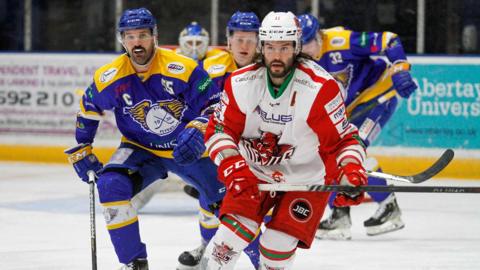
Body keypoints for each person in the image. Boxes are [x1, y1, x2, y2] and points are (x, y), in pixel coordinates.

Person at [200, 11, 367, 269]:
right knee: (229, 239)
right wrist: (233, 164)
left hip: (306, 179)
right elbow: (219, 131)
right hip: (254, 171)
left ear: (297, 47)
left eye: (285, 47)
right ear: (261, 46)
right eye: (270, 47)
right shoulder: (240, 82)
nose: (277, 55)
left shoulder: (320, 88)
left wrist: (351, 170)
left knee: (275, 246)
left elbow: (343, 140)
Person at [64, 7, 226, 269]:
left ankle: (255, 260)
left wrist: (199, 128)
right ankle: (133, 263)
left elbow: (215, 104)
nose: (136, 42)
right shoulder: (112, 76)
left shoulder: (182, 68)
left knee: (225, 202)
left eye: (142, 35)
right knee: (110, 186)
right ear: (122, 40)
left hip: (188, 148)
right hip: (140, 149)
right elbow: (88, 107)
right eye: (129, 36)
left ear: (154, 36)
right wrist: (83, 147)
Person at [297, 13, 417, 239]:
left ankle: (389, 206)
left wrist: (401, 68)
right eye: (299, 45)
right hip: (350, 110)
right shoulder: (298, 62)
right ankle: (339, 215)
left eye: (309, 42)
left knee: (354, 151)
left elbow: (389, 39)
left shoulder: (341, 41)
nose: (305, 50)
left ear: (320, 36)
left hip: (378, 97)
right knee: (328, 154)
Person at [177, 11, 263, 270]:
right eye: (239, 39)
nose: (244, 46)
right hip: (224, 147)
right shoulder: (212, 68)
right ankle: (206, 246)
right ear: (228, 41)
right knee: (210, 199)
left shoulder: (271, 67)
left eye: (250, 39)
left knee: (247, 211)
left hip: (262, 148)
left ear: (259, 41)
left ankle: (266, 260)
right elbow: (195, 106)